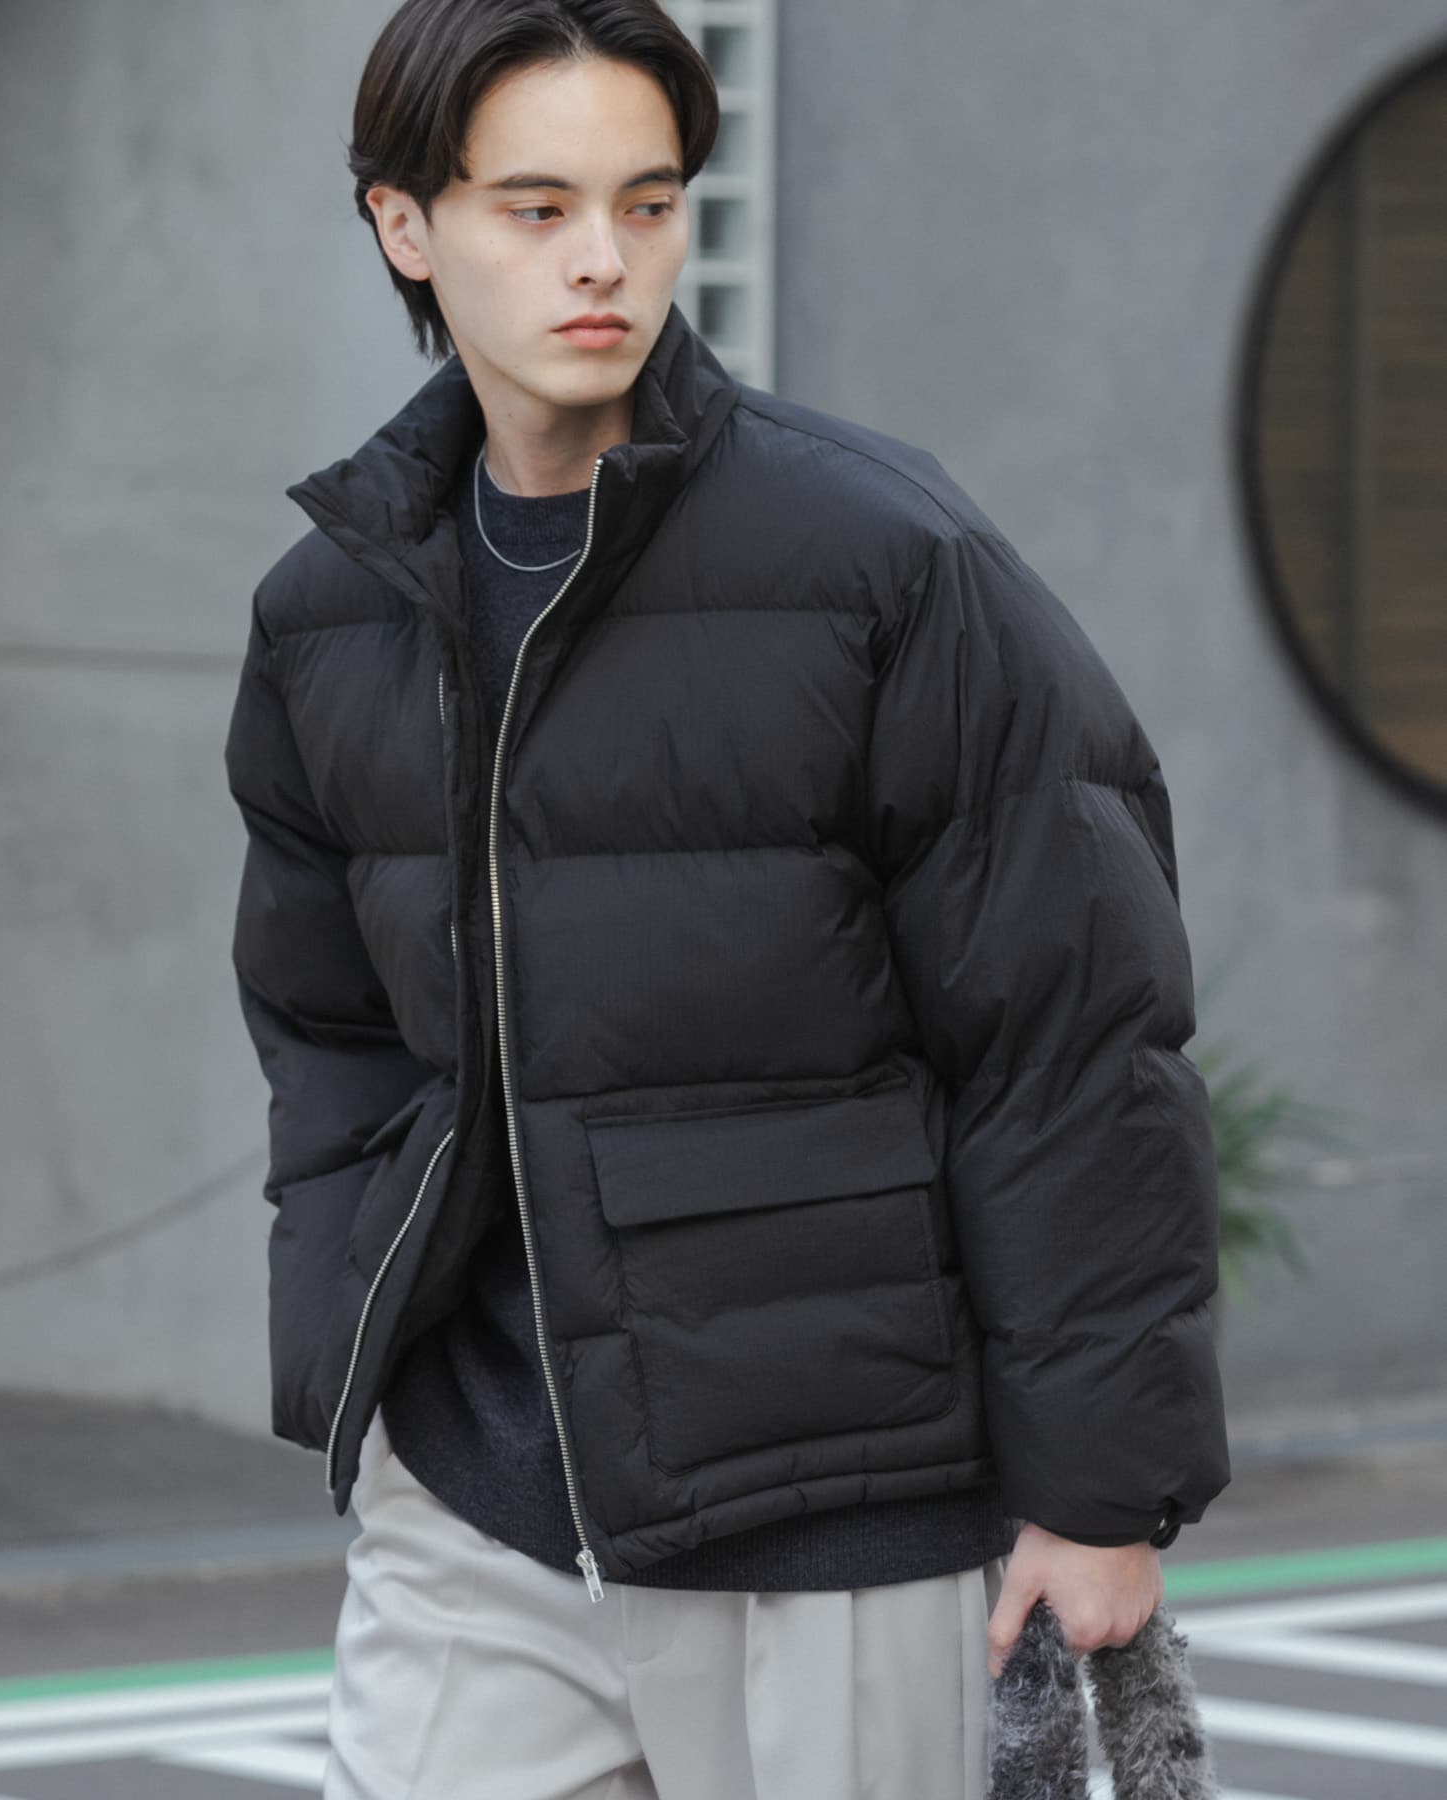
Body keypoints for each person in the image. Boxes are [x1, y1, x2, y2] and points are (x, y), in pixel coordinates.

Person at [222, 1, 1231, 1794]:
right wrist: (364, 1342)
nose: (603, 260)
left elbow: (1071, 1040)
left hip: (834, 1516)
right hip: (477, 1501)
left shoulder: (882, 558)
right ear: (404, 224)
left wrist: (1098, 1493)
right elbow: (330, 1030)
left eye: (648, 202)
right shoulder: (331, 613)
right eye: (537, 208)